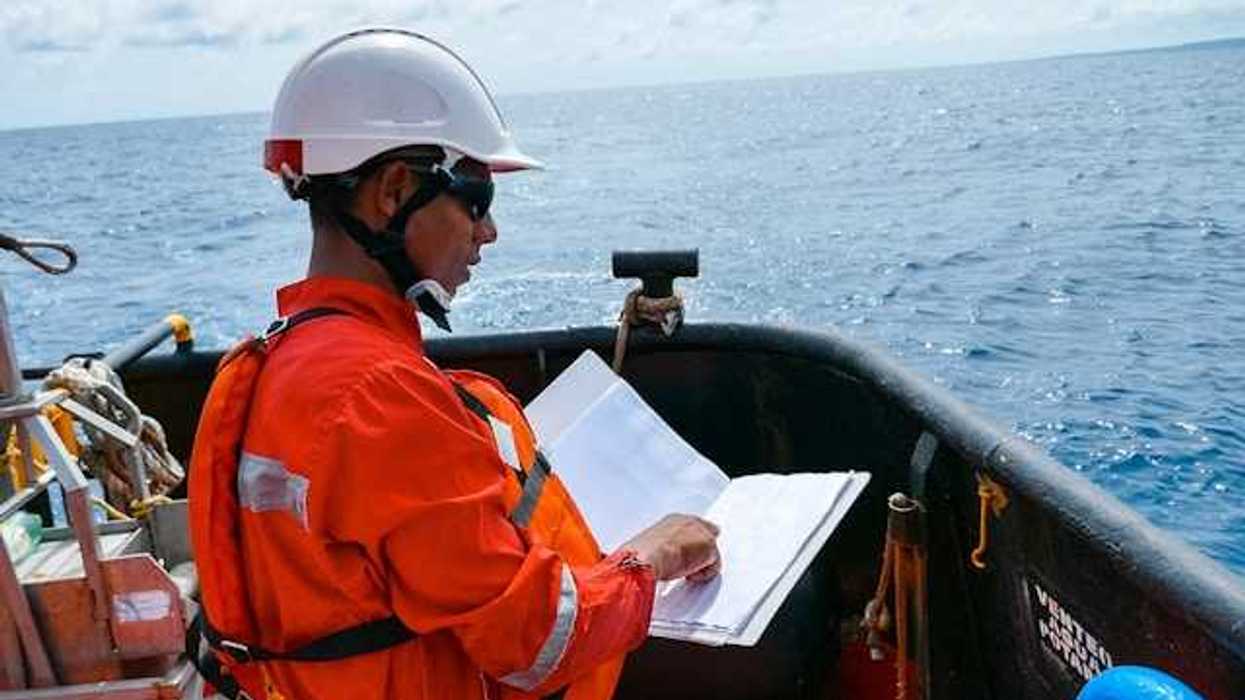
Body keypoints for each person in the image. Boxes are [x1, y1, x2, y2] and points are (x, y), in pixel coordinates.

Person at [186, 28, 722, 700]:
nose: (487, 232)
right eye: (476, 200)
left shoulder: (280, 363)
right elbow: (532, 640)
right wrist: (654, 555)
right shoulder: (378, 394)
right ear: (392, 192)